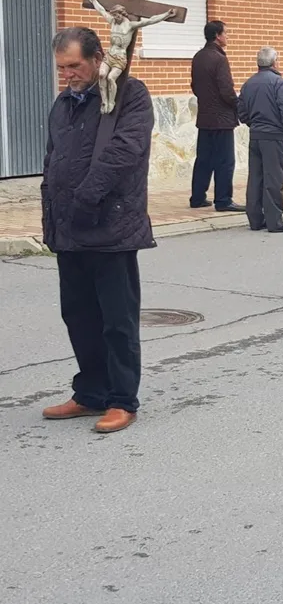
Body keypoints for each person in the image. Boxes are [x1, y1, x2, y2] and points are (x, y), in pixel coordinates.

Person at [40, 27, 156, 434]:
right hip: (69, 228)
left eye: (74, 66)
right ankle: (90, 393)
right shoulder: (63, 103)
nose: (67, 74)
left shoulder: (130, 96)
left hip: (111, 226)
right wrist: (52, 215)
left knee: (116, 321)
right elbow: (53, 159)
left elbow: (125, 152)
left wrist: (87, 198)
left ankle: (122, 400)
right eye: (61, 68)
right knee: (79, 316)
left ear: (97, 58)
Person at [238, 47, 283, 232]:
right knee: (274, 179)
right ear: (274, 62)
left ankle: (255, 220)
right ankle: (275, 222)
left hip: (256, 135)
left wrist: (254, 125)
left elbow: (242, 112)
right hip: (274, 137)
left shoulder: (248, 84)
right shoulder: (279, 83)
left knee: (255, 178)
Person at [189, 20, 244, 213]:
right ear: (217, 36)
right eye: (225, 33)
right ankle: (223, 200)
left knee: (203, 159)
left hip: (205, 117)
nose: (227, 36)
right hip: (222, 119)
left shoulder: (198, 57)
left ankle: (197, 197)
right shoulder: (219, 59)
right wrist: (238, 105)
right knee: (225, 161)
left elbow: (195, 86)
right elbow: (226, 90)